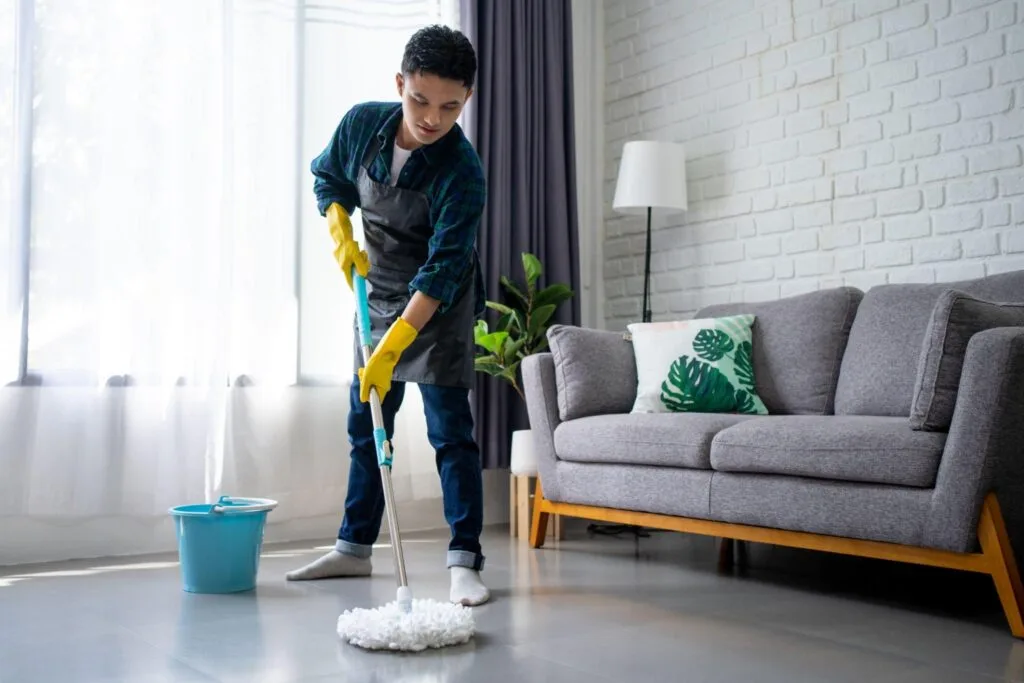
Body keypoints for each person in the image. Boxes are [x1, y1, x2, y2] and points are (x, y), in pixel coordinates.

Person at [285, 25, 490, 607]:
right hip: (373, 296)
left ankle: (464, 561)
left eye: (450, 106)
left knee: (451, 432)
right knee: (367, 427)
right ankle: (353, 548)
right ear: (400, 83)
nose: (432, 118)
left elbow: (444, 268)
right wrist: (338, 226)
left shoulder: (462, 172)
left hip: (437, 309)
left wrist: (397, 344)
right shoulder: (362, 125)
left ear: (466, 99)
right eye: (419, 99)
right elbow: (328, 175)